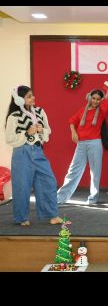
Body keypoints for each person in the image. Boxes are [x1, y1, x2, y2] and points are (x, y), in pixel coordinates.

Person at [5, 85, 63, 226]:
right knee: (22, 185)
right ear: (19, 99)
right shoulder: (14, 116)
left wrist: (42, 131)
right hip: (22, 153)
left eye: (32, 95)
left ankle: (51, 214)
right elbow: (10, 139)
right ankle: (21, 218)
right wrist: (27, 133)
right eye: (29, 96)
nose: (33, 98)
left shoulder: (40, 112)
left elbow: (48, 132)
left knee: (48, 181)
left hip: (38, 151)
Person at [57, 72, 108, 205]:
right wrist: (73, 132)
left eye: (98, 99)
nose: (95, 101)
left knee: (95, 173)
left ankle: (93, 199)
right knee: (73, 171)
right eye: (94, 98)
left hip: (94, 144)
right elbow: (72, 121)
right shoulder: (82, 110)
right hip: (81, 144)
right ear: (89, 98)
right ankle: (60, 198)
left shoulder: (102, 110)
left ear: (101, 101)